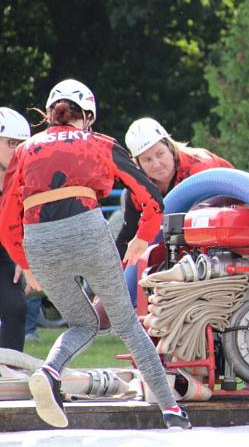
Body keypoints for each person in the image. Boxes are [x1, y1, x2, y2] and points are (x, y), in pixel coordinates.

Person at [0, 79, 190, 429]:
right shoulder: (98, 142)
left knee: (82, 323)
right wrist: (140, 239)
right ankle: (172, 412)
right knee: (128, 325)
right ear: (87, 115)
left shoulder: (26, 149)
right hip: (86, 229)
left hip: (39, 242)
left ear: (50, 113)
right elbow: (151, 198)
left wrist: (25, 263)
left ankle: (48, 371)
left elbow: (7, 218)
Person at [115, 117, 233, 306]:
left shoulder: (200, 167)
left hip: (220, 225)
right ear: (137, 164)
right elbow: (128, 236)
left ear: (171, 147)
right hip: (178, 237)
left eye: (160, 153)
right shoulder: (137, 189)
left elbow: (215, 216)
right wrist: (112, 281)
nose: (156, 163)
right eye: (147, 159)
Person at [0, 107, 32, 352]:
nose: (18, 150)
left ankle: (9, 373)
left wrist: (27, 256)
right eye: (12, 143)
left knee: (16, 307)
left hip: (7, 252)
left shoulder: (29, 179)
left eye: (23, 144)